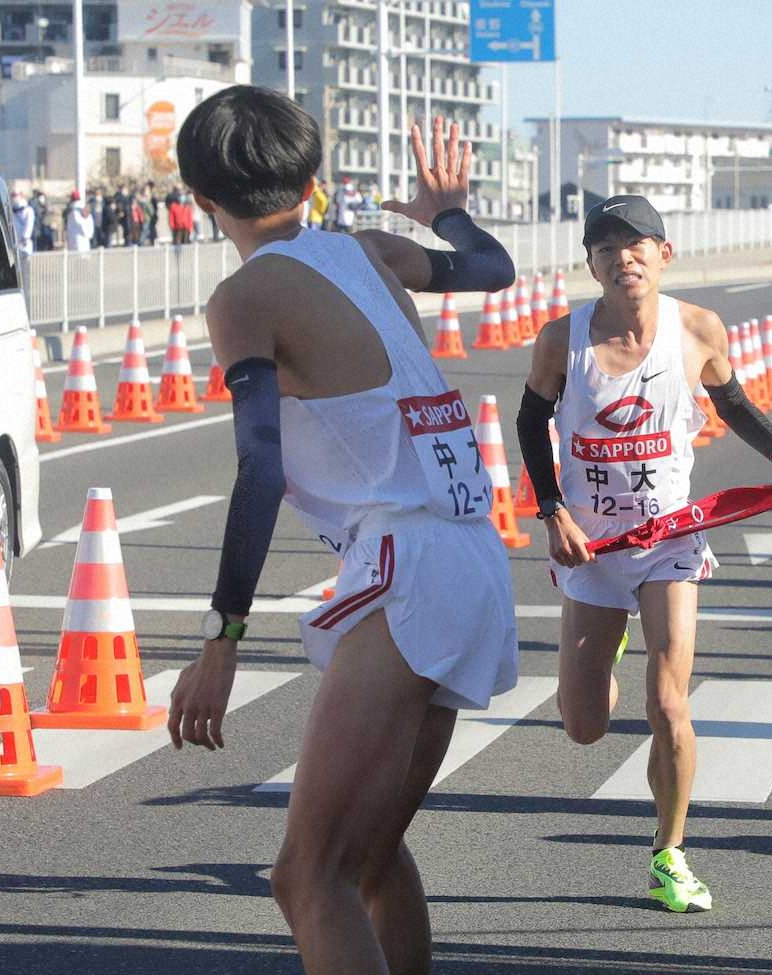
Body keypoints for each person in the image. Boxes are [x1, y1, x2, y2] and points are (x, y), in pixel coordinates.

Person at [168, 87, 518, 974]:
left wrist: (221, 636)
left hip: (407, 566)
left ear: (200, 199)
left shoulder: (244, 296)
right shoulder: (369, 248)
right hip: (472, 555)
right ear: (312, 179)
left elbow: (260, 465)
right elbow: (492, 269)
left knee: (307, 876)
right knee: (370, 857)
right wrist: (447, 212)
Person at [516, 195, 772, 914]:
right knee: (583, 724)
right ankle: (608, 649)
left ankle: (669, 851)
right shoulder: (561, 340)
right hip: (594, 548)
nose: (623, 258)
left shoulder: (697, 328)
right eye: (606, 249)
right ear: (590, 264)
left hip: (669, 541)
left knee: (668, 702)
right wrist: (553, 510)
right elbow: (531, 420)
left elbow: (732, 400)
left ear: (664, 254)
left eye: (637, 245)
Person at [10, 191, 35, 257]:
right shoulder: (11, 211)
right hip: (14, 244)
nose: (14, 197)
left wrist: (25, 237)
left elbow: (29, 225)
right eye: (12, 195)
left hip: (24, 244)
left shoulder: (29, 210)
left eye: (16, 195)